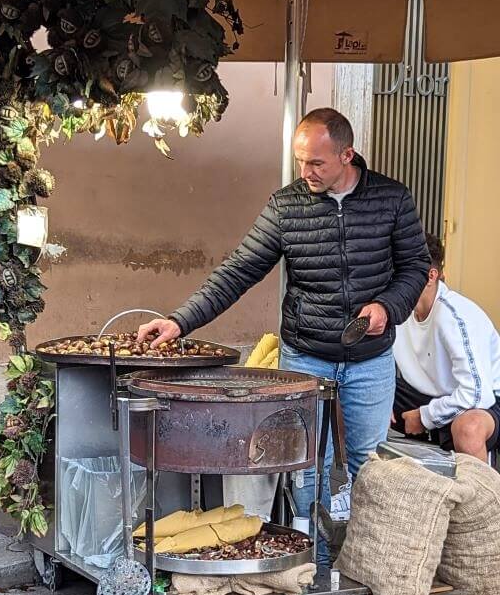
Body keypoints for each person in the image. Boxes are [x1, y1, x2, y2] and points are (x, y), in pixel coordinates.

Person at [138, 108, 429, 564]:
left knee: (364, 467)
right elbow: (238, 271)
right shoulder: (286, 207)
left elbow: (415, 267)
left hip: (370, 358)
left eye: (316, 163)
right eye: (300, 161)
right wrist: (180, 321)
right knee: (308, 465)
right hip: (306, 356)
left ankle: (359, 564)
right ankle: (314, 565)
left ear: (347, 155)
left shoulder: (392, 199)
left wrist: (388, 307)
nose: (305, 172)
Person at [392, 232, 500, 462]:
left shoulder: (455, 315)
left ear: (431, 276)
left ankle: (483, 498)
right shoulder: (396, 309)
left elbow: (476, 394)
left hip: (484, 401)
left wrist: (424, 417)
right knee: (354, 391)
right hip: (428, 395)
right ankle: (350, 485)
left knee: (468, 428)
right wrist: (377, 396)